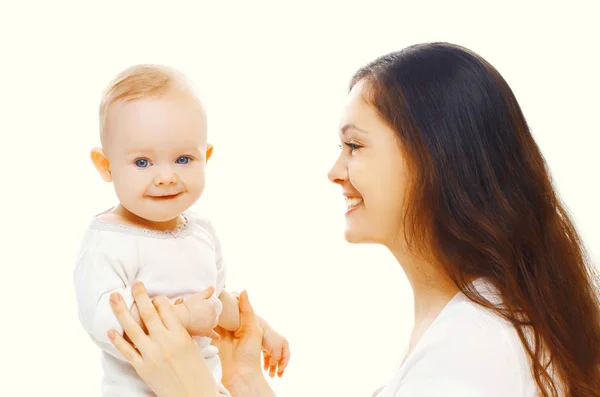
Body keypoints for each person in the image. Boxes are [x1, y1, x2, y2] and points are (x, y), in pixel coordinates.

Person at [104, 43, 600, 397]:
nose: (335, 171)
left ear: (434, 157)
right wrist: (247, 384)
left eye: (354, 146)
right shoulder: (473, 323)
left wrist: (191, 389)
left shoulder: (477, 351)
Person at [73, 64, 290, 397]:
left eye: (184, 159)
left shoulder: (200, 234)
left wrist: (258, 329)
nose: (166, 177)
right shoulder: (109, 243)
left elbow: (216, 299)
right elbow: (106, 323)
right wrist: (184, 317)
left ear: (206, 156)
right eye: (143, 162)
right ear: (106, 166)